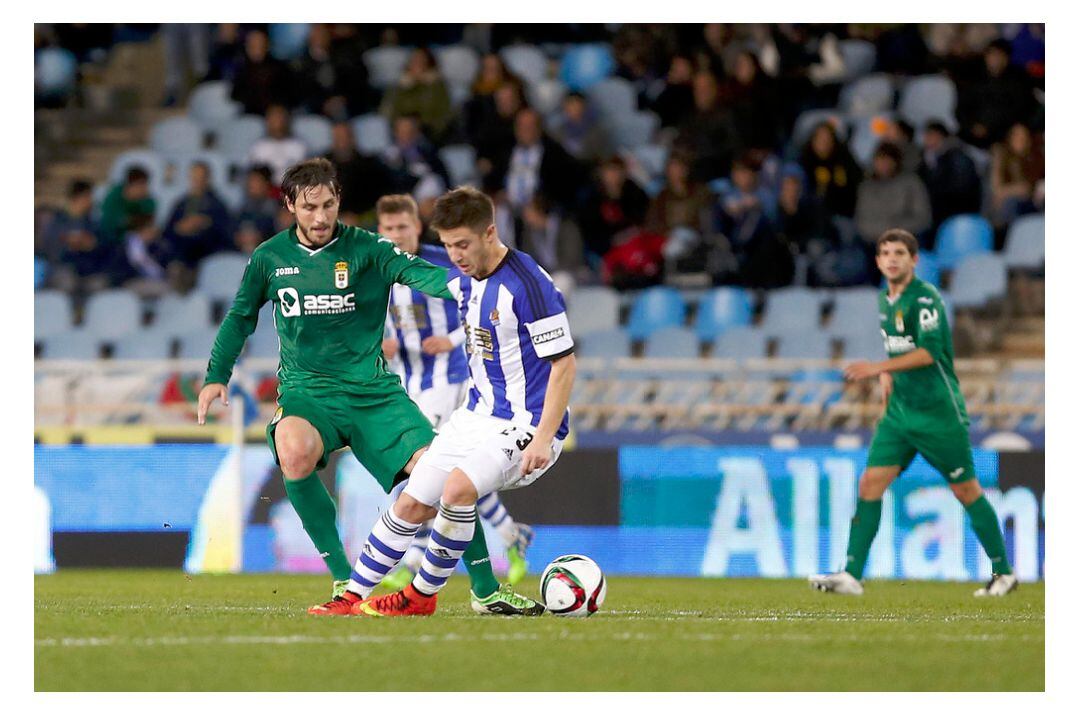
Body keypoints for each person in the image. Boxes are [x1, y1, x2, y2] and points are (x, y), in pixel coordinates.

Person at [196, 159, 539, 617]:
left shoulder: (369, 249)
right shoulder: (270, 258)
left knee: (441, 479)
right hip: (308, 393)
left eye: (329, 205)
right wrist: (216, 375)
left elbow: (423, 275)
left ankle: (486, 590)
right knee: (294, 450)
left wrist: (474, 282)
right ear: (290, 205)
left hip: (375, 394)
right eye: (310, 207)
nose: (321, 217)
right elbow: (241, 317)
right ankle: (343, 578)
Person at [333, 186, 576, 617]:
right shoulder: (461, 279)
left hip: (527, 424)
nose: (456, 255)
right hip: (475, 415)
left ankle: (420, 596)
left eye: (463, 244)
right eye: (447, 246)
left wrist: (541, 438)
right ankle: (348, 598)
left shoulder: (529, 285)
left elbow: (564, 365)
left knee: (457, 489)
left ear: (489, 233)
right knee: (410, 501)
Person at [810, 228, 1016, 597]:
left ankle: (1003, 572)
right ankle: (851, 574)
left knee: (966, 489)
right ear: (877, 261)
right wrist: (888, 372)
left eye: (900, 253)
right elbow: (899, 349)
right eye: (885, 252)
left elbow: (929, 352)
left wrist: (875, 368)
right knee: (870, 483)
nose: (892, 259)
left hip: (938, 414)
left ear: (914, 260)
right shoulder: (884, 301)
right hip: (900, 415)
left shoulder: (925, 299)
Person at [373, 194, 536, 590]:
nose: (396, 235)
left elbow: (478, 311)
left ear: (417, 227)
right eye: (389, 229)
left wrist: (449, 339)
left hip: (451, 381)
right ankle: (511, 533)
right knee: (450, 475)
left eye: (403, 228)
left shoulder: (445, 261)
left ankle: (411, 559)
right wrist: (380, 342)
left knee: (423, 469)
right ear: (380, 231)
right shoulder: (378, 267)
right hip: (407, 382)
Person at [854, 142, 932, 245]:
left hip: (905, 239)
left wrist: (893, 230)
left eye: (887, 160)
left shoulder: (911, 183)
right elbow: (861, 219)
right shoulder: (867, 187)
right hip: (872, 241)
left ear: (895, 162)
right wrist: (877, 233)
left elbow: (923, 218)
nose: (883, 165)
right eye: (880, 160)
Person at [162, 161, 232, 268]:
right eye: (194, 177)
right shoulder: (181, 204)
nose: (197, 181)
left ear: (208, 179)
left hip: (206, 254)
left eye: (201, 177)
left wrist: (204, 223)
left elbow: (225, 233)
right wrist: (180, 227)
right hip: (181, 253)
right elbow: (167, 232)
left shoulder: (217, 205)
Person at [247, 104, 308, 184]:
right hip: (266, 191)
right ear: (267, 121)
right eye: (273, 117)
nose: (277, 122)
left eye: (280, 117)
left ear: (287, 120)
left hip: (292, 190)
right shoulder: (258, 147)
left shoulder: (299, 146)